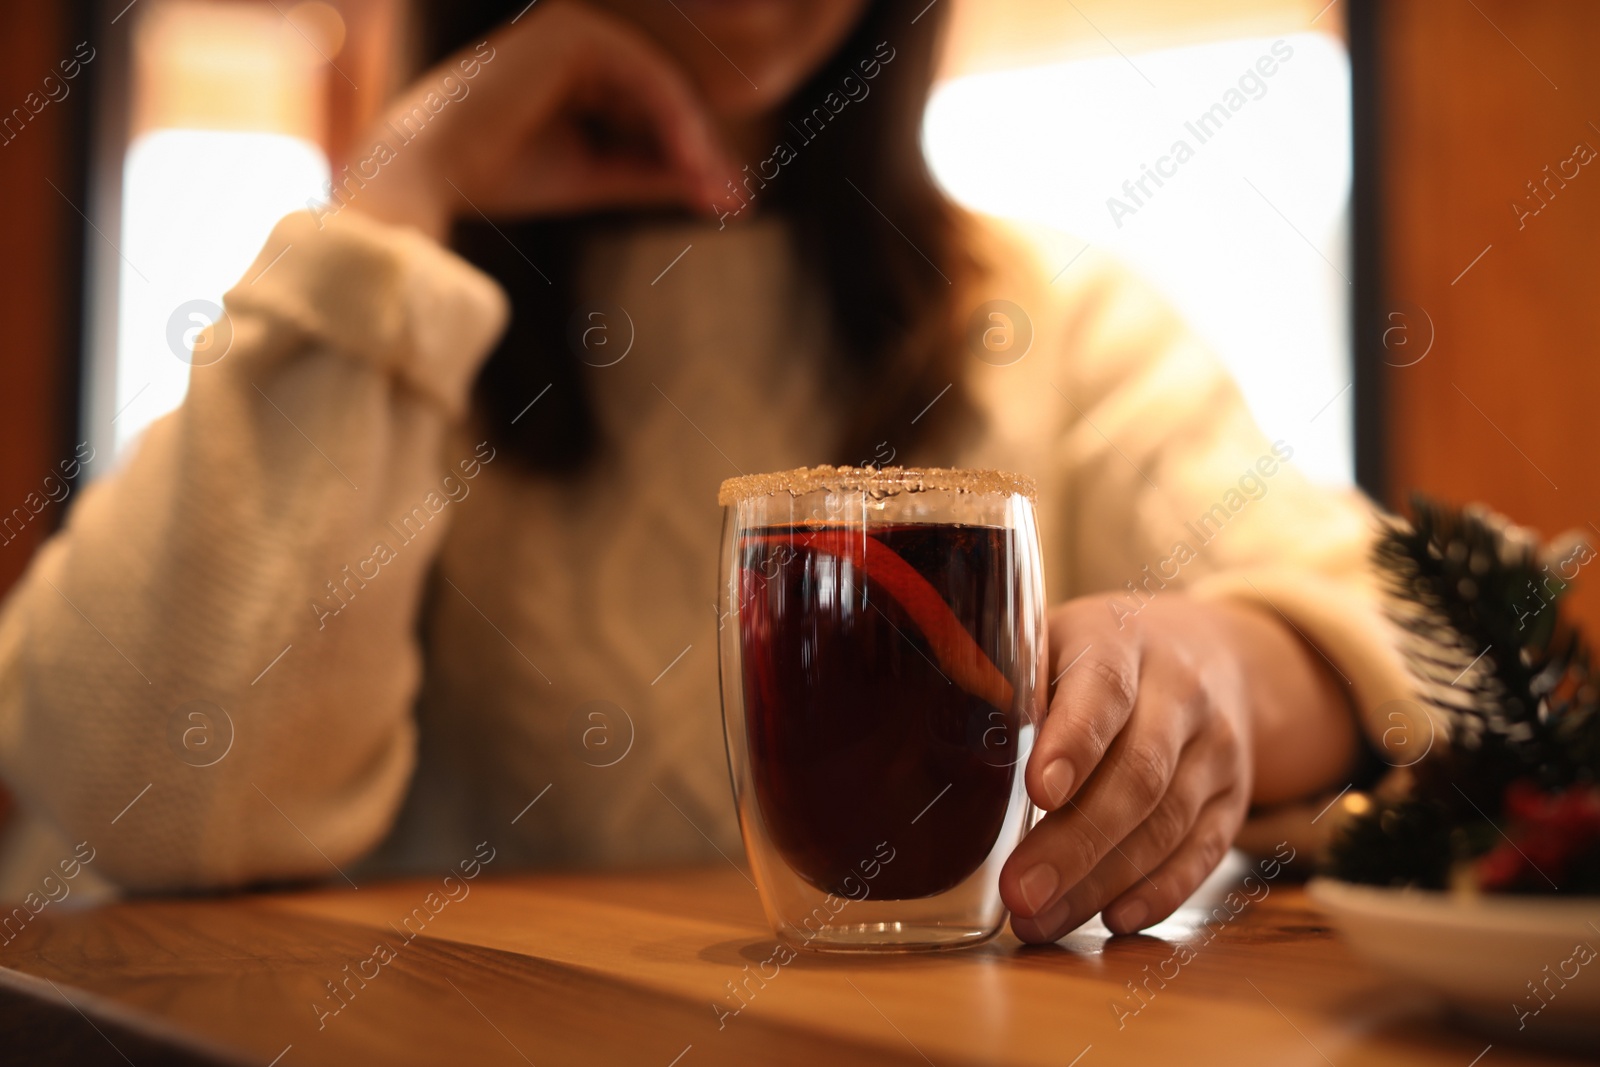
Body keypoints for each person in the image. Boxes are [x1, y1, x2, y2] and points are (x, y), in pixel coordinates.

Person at [0, 0, 1410, 944]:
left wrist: (1227, 665)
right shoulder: (378, 321)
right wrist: (403, 183)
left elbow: (1411, 626)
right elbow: (141, 791)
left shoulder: (1063, 319)